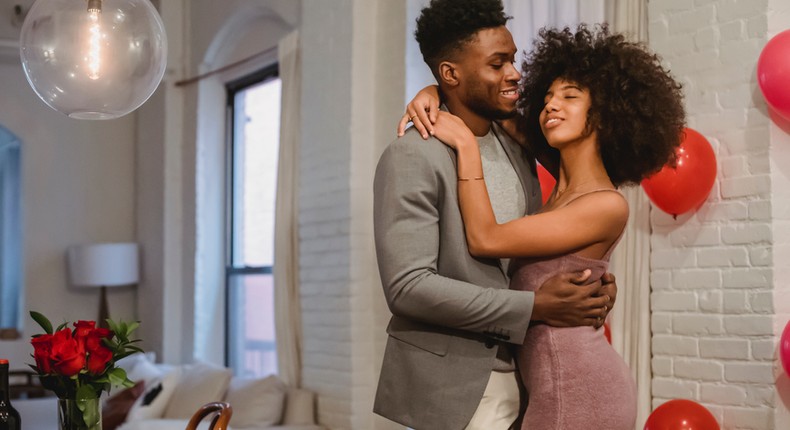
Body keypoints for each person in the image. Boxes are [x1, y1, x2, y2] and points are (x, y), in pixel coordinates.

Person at [410, 25, 685, 429]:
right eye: (548, 97)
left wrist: (467, 148)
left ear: (606, 114)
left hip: (579, 390)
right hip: (549, 387)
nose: (551, 106)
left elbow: (485, 238)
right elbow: (491, 107)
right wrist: (433, 91)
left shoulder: (605, 205)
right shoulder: (560, 189)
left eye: (570, 96)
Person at [372, 1, 617, 429]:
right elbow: (408, 287)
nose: (515, 73)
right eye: (497, 63)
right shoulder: (411, 155)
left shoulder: (518, 141)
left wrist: (592, 282)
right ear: (451, 74)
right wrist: (534, 306)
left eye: (514, 59)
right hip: (454, 388)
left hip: (527, 376)